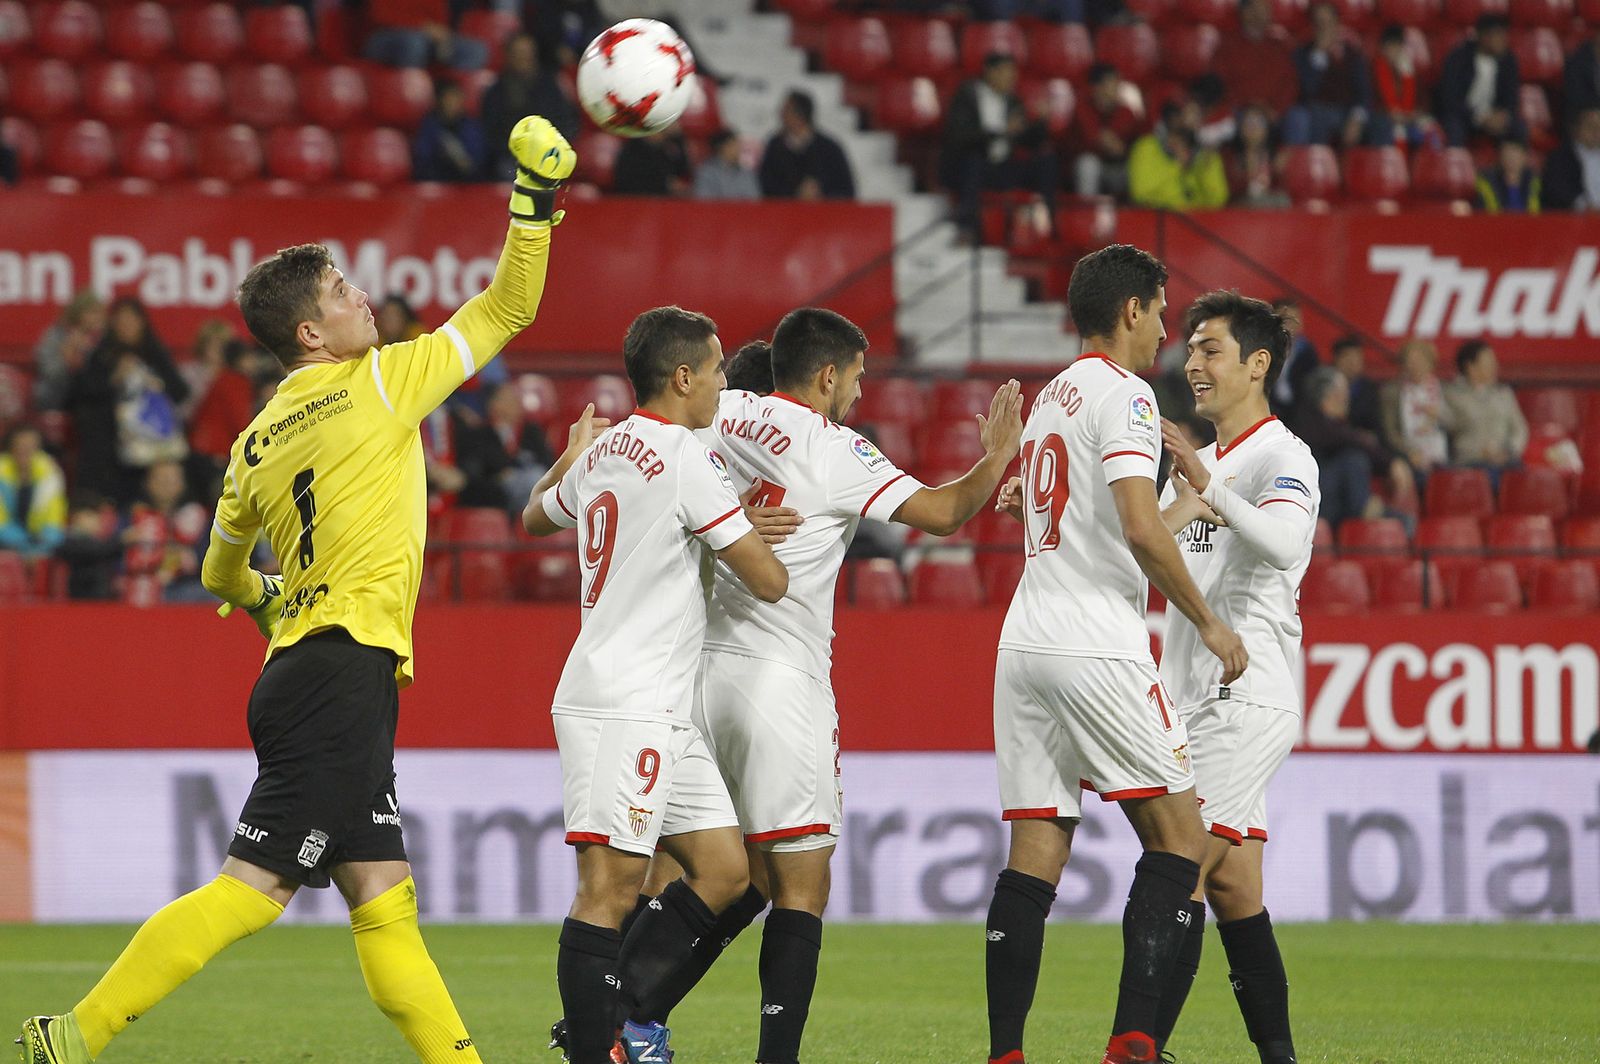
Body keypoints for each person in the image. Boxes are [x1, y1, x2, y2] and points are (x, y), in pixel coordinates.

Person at [14, 113, 576, 1064]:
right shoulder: (382, 384)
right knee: (254, 887)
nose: (363, 298)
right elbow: (507, 309)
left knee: (384, 900)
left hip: (303, 670)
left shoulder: (250, 444)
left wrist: (270, 602)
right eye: (343, 291)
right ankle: (72, 1036)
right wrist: (533, 201)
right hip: (340, 673)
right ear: (312, 331)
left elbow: (216, 571)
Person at [622, 311, 1024, 1064]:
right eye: (859, 378)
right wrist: (998, 455)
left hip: (696, 675)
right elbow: (942, 514)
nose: (862, 394)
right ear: (829, 375)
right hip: (780, 681)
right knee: (800, 886)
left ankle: (622, 1015)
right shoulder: (835, 447)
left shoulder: (723, 410)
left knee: (733, 874)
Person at [984, 243, 1247, 1064]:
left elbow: (1100, 524)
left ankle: (1005, 1053)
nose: (1167, 330)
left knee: (1035, 854)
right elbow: (1135, 527)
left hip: (1025, 641)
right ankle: (1132, 1045)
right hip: (1096, 643)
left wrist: (1183, 508)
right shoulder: (1127, 394)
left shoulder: (1054, 395)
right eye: (1162, 312)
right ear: (1131, 309)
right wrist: (1207, 621)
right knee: (1181, 840)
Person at [522, 306, 789, 1064]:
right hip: (622, 702)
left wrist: (567, 458)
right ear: (682, 377)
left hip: (658, 706)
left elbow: (533, 517)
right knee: (607, 889)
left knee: (726, 869)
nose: (723, 382)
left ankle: (617, 1020)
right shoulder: (684, 458)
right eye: (717, 369)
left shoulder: (605, 451)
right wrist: (737, 528)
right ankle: (593, 1049)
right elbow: (769, 581)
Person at [1153, 291, 1315, 1064]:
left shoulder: (1283, 457)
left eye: (1210, 348)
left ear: (1257, 364)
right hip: (1194, 695)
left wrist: (1208, 491)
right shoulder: (1201, 465)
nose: (1192, 362)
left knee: (1176, 866)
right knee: (1234, 887)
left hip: (1245, 694)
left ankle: (1137, 1047)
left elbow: (1285, 545)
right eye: (1190, 347)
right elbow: (1142, 549)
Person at [65, 296, 191, 504]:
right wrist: (114, 379)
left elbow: (180, 391)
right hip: (113, 437)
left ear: (142, 323)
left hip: (151, 439)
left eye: (132, 321)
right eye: (121, 322)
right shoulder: (103, 354)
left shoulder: (154, 352)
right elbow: (80, 393)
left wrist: (155, 383)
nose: (127, 327)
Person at [942, 53, 1058, 238]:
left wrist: (1040, 123)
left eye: (1013, 73)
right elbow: (960, 136)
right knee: (974, 161)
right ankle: (966, 228)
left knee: (1046, 161)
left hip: (1003, 167)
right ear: (990, 72)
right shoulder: (968, 94)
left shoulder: (1013, 101)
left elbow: (1028, 141)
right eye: (1006, 72)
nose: (1012, 78)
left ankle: (1051, 224)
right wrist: (1001, 131)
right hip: (972, 165)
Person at [1296, 367, 1412, 528]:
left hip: (1334, 503)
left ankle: (1367, 509)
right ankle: (1364, 508)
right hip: (1315, 502)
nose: (1348, 398)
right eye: (1344, 392)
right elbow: (1351, 440)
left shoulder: (1334, 425)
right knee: (1354, 460)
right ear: (1331, 396)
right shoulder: (1312, 424)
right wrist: (1391, 463)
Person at [481, 33, 579, 180]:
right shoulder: (496, 92)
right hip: (512, 156)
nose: (524, 58)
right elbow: (492, 132)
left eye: (528, 53)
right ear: (509, 56)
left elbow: (566, 120)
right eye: (519, 53)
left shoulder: (550, 85)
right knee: (507, 170)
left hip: (550, 153)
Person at [1284, 2, 1372, 147]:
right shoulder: (1301, 55)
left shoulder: (1353, 54)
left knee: (1380, 122)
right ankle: (1317, 160)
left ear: (1337, 24)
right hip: (1315, 111)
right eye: (1320, 23)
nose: (1324, 28)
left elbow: (1363, 92)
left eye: (1329, 22)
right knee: (1315, 113)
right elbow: (1307, 91)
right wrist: (1320, 54)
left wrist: (1356, 119)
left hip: (1346, 112)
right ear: (1313, 27)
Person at [121, 458, 210, 603]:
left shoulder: (197, 516)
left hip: (184, 588)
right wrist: (123, 541)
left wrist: (182, 560)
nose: (166, 485)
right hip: (139, 586)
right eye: (161, 479)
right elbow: (113, 557)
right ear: (147, 482)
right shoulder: (131, 516)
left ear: (183, 484)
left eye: (172, 479)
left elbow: (209, 558)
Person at [1435, 14, 1523, 148]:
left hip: (1492, 116)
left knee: (1519, 129)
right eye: (1498, 35)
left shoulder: (1509, 61)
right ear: (1483, 36)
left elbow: (1512, 98)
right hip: (1464, 115)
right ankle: (1457, 160)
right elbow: (1450, 99)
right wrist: (1479, 117)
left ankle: (1512, 162)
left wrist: (1502, 116)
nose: (1503, 40)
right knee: (1454, 129)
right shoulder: (1458, 58)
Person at [1445, 340, 1528, 482]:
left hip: (1506, 460)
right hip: (1470, 463)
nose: (1495, 367)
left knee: (1524, 480)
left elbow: (1520, 429)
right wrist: (1481, 452)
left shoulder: (1504, 394)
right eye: (1488, 362)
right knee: (1489, 479)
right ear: (1471, 367)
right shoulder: (1451, 395)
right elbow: (1451, 427)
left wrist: (1508, 450)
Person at [1128, 101, 1229, 211]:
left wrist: (1207, 168)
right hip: (1159, 217)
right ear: (1172, 118)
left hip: (1197, 218)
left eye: (1198, 115)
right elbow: (1140, 193)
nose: (1195, 121)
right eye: (1189, 114)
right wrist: (1177, 165)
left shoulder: (1206, 154)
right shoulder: (1147, 147)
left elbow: (1219, 199)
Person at [1380, 338, 1454, 484]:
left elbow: (1455, 425)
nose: (1415, 366)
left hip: (1440, 454)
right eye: (1410, 362)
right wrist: (1409, 453)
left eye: (1420, 361)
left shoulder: (1443, 389)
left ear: (1430, 363)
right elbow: (1389, 433)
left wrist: (1438, 414)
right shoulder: (1392, 392)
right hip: (1408, 455)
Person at [758, 90, 855, 200]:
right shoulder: (775, 146)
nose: (781, 115)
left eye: (786, 111)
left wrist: (820, 195)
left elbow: (846, 191)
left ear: (800, 116)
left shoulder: (829, 149)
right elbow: (765, 187)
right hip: (784, 209)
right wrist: (795, 194)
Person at [1214, 0, 1298, 120]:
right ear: (1245, 13)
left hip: (1274, 112)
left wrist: (1276, 110)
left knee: (1297, 117)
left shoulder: (1280, 46)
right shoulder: (1228, 45)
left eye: (1267, 9)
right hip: (1239, 110)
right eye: (1261, 9)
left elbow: (1290, 83)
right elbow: (1219, 83)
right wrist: (1249, 106)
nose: (1267, 13)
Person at [1072, 63, 1143, 199]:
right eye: (1112, 83)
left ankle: (1135, 211)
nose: (1117, 87)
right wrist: (1109, 143)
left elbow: (1129, 147)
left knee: (1138, 167)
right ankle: (1087, 210)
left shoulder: (1126, 112)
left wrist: (1116, 146)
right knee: (1088, 164)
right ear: (1097, 87)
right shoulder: (1082, 109)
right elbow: (1097, 140)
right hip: (1091, 170)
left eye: (1118, 83)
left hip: (1118, 169)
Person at [0, 423, 67, 559]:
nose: (26, 450)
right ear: (11, 448)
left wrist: (46, 540)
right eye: (21, 446)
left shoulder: (50, 473)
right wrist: (24, 542)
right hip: (8, 542)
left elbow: (55, 517)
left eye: (31, 446)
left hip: (40, 543)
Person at [32, 290, 105, 412]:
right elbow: (50, 373)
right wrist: (68, 354)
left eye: (100, 313)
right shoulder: (56, 335)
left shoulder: (103, 339)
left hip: (91, 396)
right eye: (92, 312)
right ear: (77, 313)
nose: (98, 317)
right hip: (56, 394)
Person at [362, 0, 488, 70]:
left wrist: (443, 38)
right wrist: (423, 26)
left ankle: (445, 97)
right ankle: (413, 96)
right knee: (414, 44)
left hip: (425, 38)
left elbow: (439, 21)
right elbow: (381, 16)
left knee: (476, 51)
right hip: (384, 37)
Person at [1372, 24, 1439, 147]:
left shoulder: (1409, 69)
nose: (1394, 51)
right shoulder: (1374, 69)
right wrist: (1392, 113)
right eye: (1390, 47)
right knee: (1396, 130)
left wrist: (1416, 113)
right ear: (1383, 48)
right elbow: (1374, 102)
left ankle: (1433, 158)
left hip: (1409, 118)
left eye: (1398, 46)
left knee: (1432, 130)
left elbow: (1422, 100)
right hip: (1387, 119)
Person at [413, 80, 487, 183]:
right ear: (440, 101)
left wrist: (462, 161)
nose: (453, 103)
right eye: (448, 99)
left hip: (467, 182)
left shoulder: (471, 126)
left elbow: (478, 160)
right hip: (437, 181)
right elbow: (422, 159)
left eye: (456, 98)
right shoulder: (430, 126)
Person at [1224, 104, 1288, 208]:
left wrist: (1279, 172)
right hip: (1240, 204)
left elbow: (1282, 188)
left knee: (1283, 200)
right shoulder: (1229, 155)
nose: (1254, 127)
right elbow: (1230, 190)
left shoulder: (1275, 154)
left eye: (1259, 122)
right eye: (1249, 122)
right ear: (1240, 127)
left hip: (1268, 203)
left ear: (1267, 128)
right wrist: (1247, 174)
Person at [1543, 107, 1600, 211]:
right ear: (1577, 128)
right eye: (1590, 126)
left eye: (1599, 127)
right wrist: (1584, 206)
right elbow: (1557, 189)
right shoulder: (1560, 157)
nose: (1596, 131)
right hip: (1575, 216)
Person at [612, 127, 692, 197]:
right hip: (637, 202)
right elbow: (629, 184)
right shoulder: (632, 150)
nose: (662, 134)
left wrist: (678, 138)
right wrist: (666, 185)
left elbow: (683, 170)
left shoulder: (666, 149)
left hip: (665, 202)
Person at [1329, 335, 1380, 434]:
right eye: (1347, 357)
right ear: (1336, 359)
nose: (1352, 363)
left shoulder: (1370, 389)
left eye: (1357, 357)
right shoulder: (1324, 385)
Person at [1476, 137, 1542, 212]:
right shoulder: (1487, 181)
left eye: (1516, 154)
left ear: (1525, 157)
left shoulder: (1535, 181)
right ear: (1500, 156)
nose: (1511, 158)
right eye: (1507, 153)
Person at [693, 129, 761, 201]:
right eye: (733, 145)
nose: (738, 149)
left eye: (738, 145)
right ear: (722, 148)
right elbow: (704, 201)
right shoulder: (706, 173)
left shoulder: (746, 173)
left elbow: (755, 200)